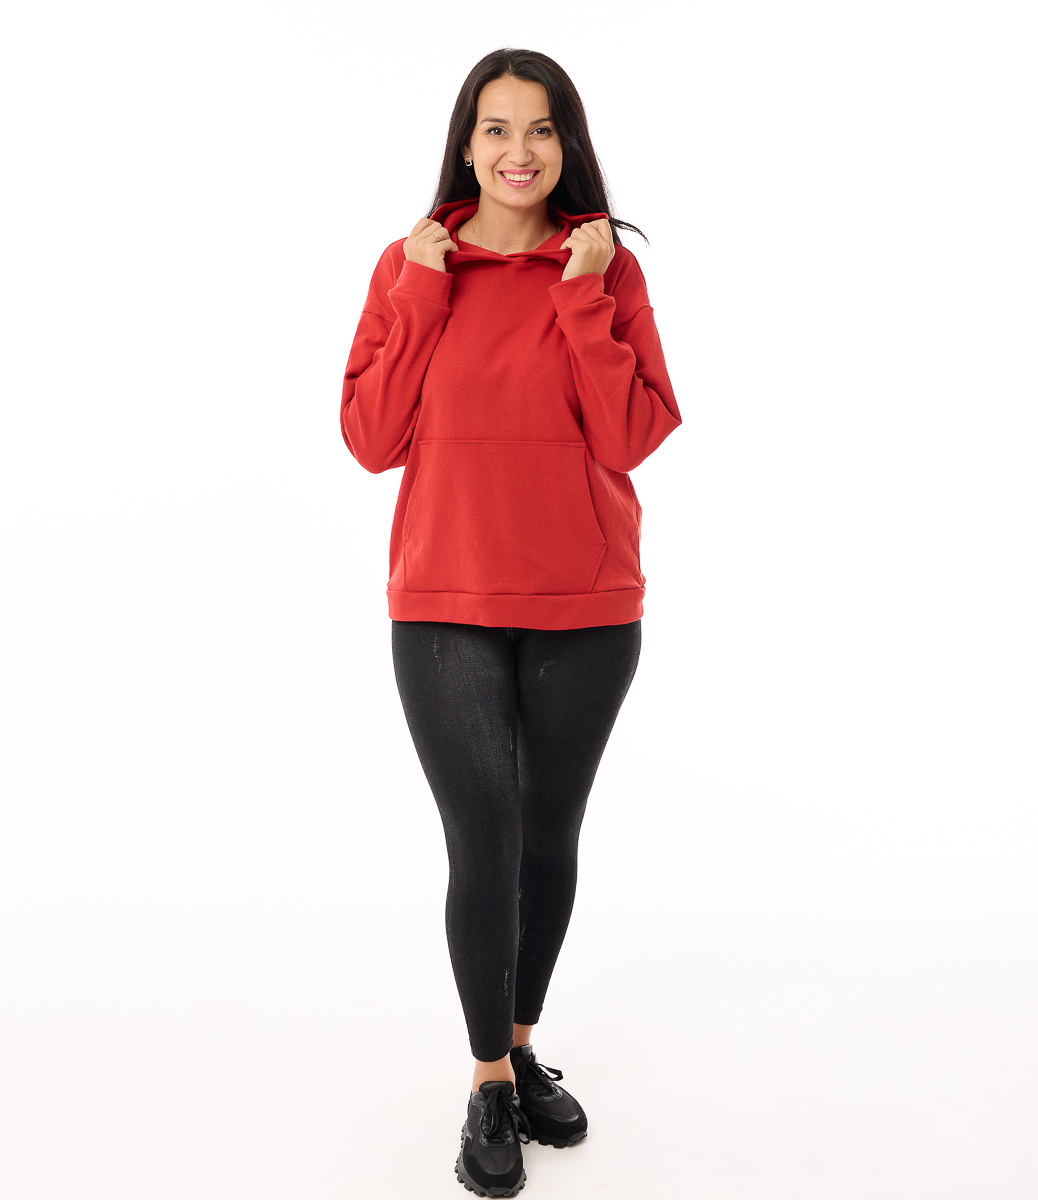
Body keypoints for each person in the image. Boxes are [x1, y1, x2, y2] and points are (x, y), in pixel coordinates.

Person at [341, 47, 682, 1197]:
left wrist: (583, 294)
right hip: (446, 601)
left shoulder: (605, 267)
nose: (519, 152)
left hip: (586, 602)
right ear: (466, 143)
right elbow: (371, 439)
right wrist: (419, 290)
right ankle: (488, 1080)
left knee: (547, 840)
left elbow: (629, 436)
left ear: (567, 143)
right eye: (496, 129)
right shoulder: (409, 264)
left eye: (541, 129)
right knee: (481, 842)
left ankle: (523, 1046)